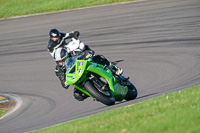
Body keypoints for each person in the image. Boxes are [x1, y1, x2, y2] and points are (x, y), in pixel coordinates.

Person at [47, 29, 123, 101]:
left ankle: (114, 69)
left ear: (66, 56)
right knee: (77, 95)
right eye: (59, 62)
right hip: (77, 78)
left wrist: (88, 54)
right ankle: (95, 94)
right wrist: (65, 82)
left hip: (84, 68)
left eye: (62, 60)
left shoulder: (72, 53)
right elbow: (63, 83)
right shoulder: (58, 69)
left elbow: (85, 52)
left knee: (99, 58)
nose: (61, 63)